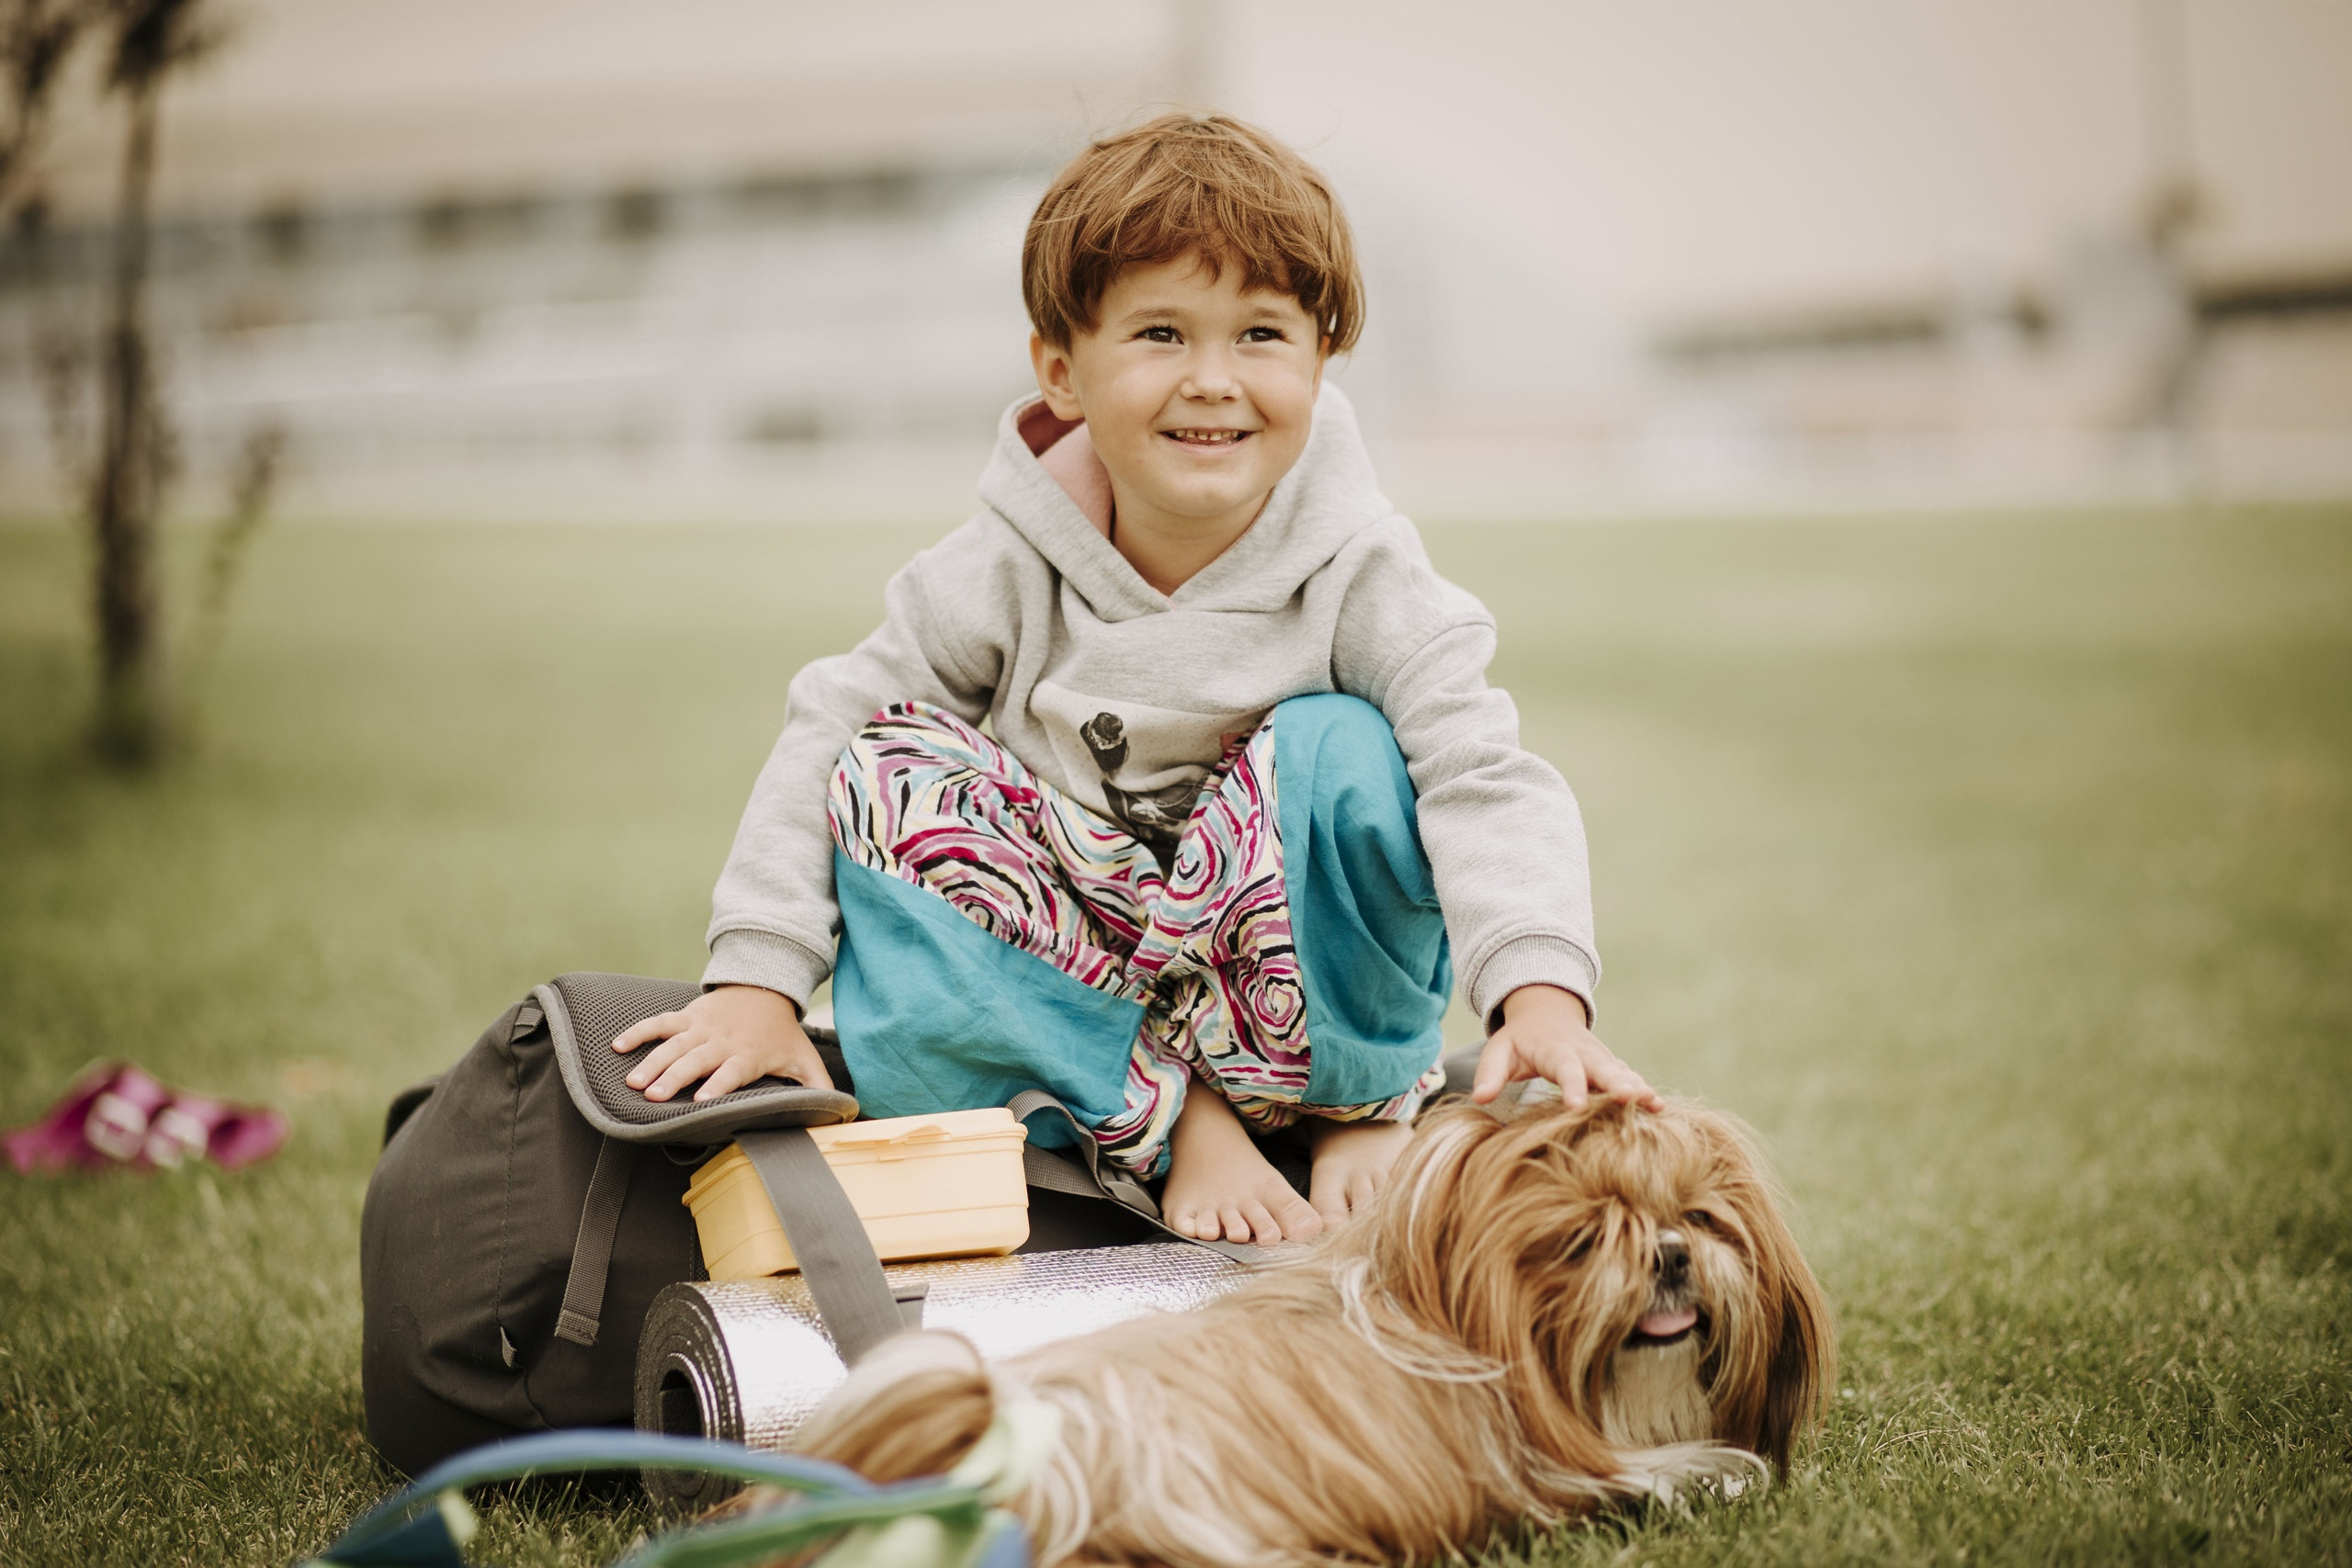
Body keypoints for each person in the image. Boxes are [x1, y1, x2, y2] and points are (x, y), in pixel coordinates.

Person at [613, 114, 1659, 1247]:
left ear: (1319, 363)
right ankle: (1179, 1126)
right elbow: (834, 729)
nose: (1213, 381)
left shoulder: (1364, 571)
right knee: (886, 760)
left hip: (1289, 1013)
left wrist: (1539, 991)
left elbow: (1480, 773)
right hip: (1080, 1014)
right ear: (1062, 371)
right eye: (1161, 333)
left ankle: (1357, 1105)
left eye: (1260, 334)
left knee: (1348, 750)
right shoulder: (1002, 568)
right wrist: (759, 981)